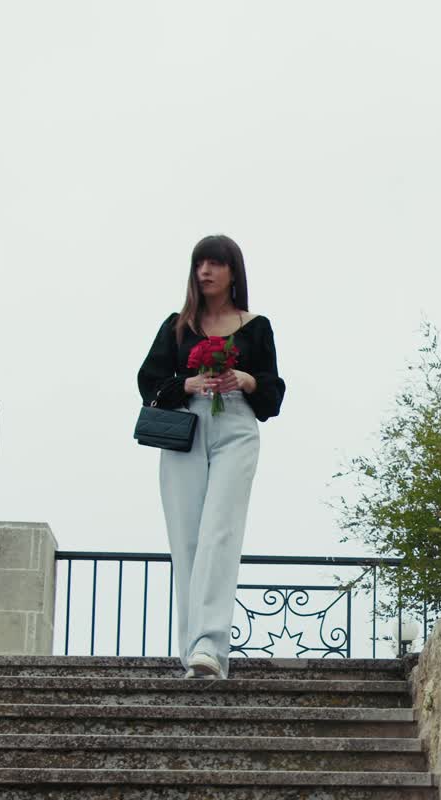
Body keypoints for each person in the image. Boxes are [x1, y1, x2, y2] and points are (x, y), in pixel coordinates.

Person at [137, 234, 286, 680]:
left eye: (215, 263)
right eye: (200, 263)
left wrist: (246, 379)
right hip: (185, 429)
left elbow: (274, 392)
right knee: (186, 540)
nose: (205, 271)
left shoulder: (256, 325)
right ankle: (193, 650)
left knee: (219, 532)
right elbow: (149, 382)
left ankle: (210, 648)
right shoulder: (177, 326)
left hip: (237, 429)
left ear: (233, 271)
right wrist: (187, 384)